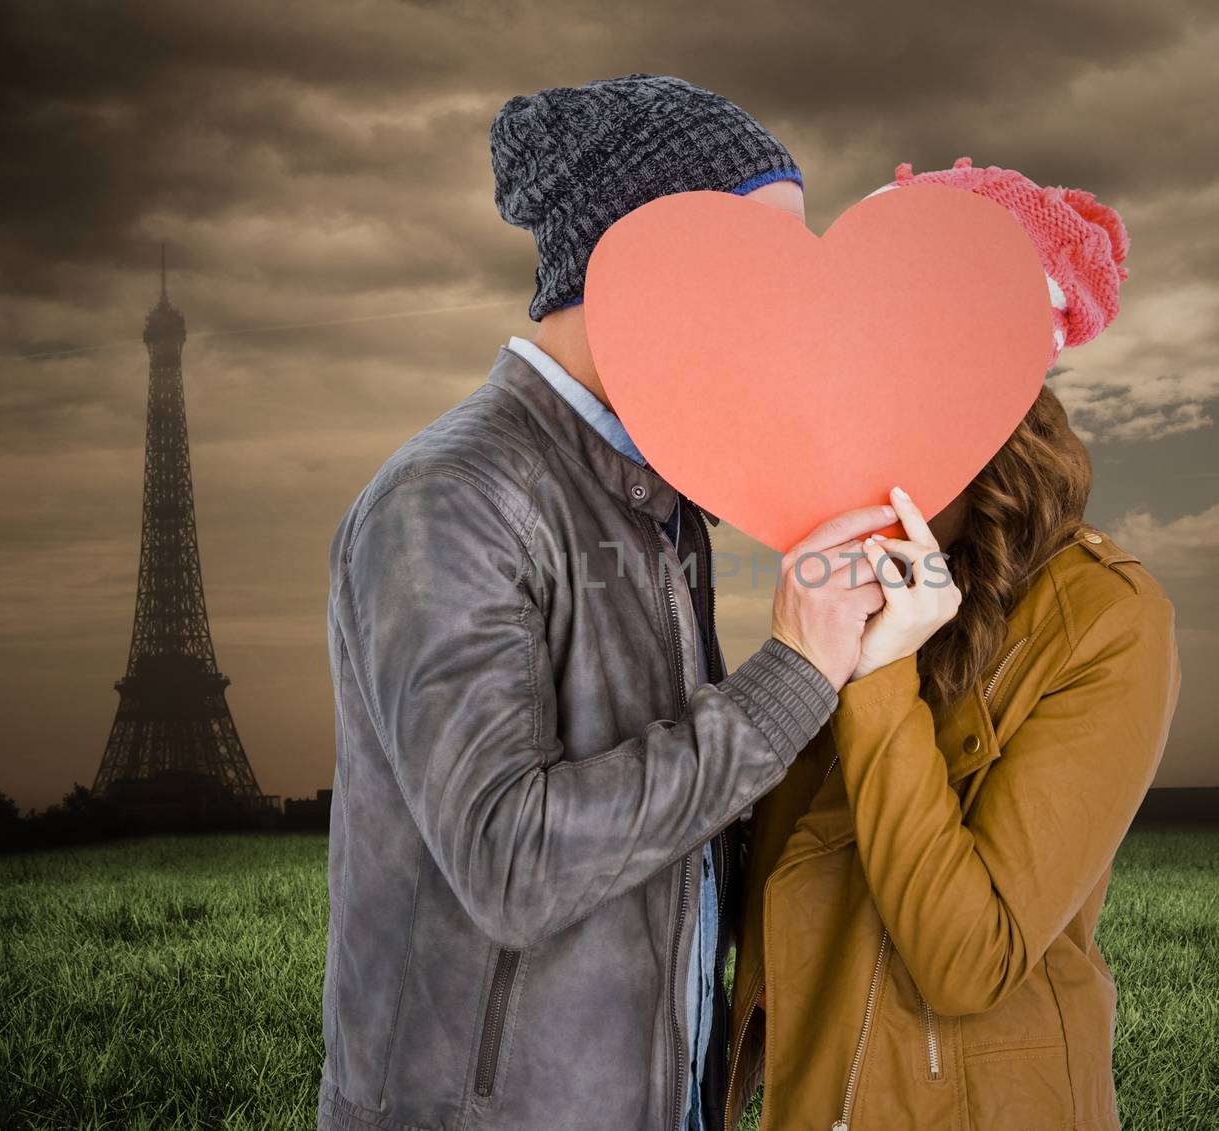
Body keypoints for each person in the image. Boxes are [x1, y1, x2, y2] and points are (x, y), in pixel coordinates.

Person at [318, 75, 889, 1131]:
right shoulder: (449, 499)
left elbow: (678, 826)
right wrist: (789, 681)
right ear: (638, 263)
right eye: (755, 271)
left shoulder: (660, 503)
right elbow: (513, 862)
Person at [723, 158, 1183, 1131]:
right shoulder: (839, 565)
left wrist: (883, 675)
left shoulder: (1106, 617)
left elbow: (966, 960)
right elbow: (773, 885)